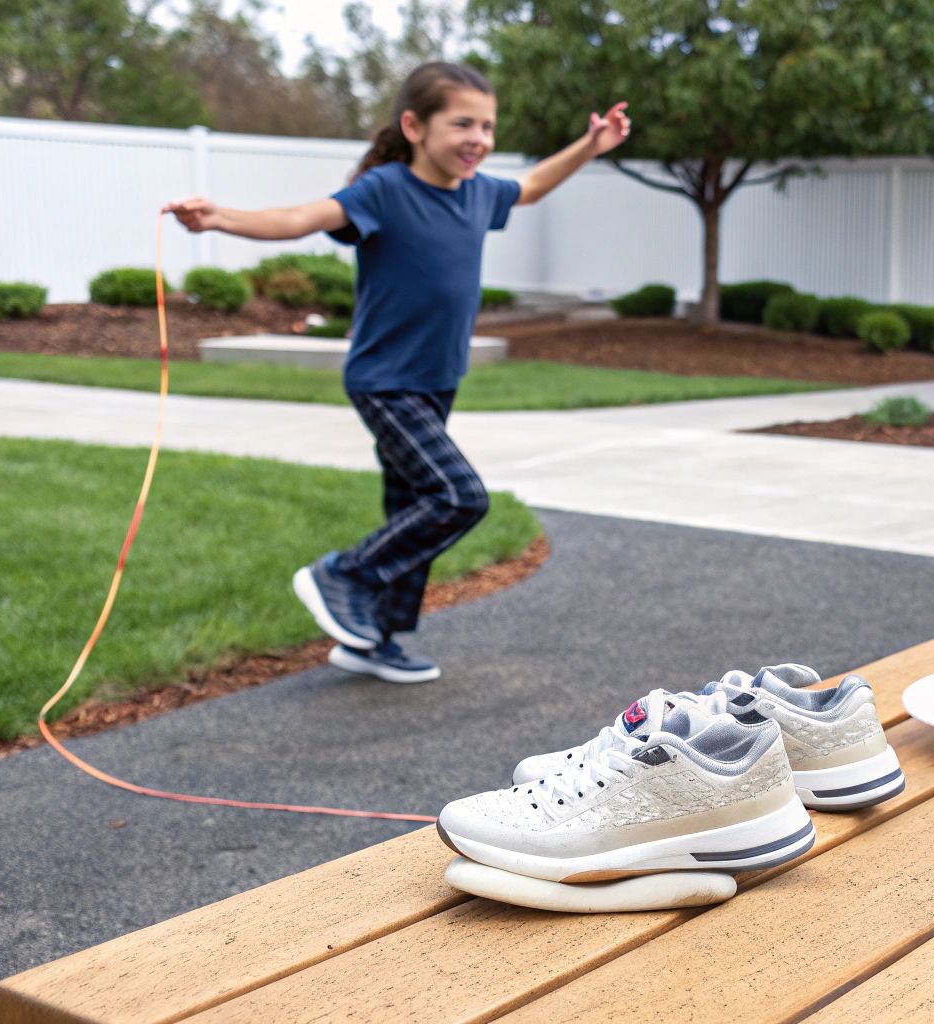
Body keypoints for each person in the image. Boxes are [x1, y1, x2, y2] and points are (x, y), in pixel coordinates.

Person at [166, 62, 630, 683]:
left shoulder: (479, 193)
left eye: (487, 126)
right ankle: (342, 576)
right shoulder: (384, 190)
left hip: (438, 379)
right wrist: (222, 218)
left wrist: (591, 146)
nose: (478, 139)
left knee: (411, 508)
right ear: (414, 125)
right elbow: (301, 217)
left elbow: (534, 185)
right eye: (462, 123)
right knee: (457, 496)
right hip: (385, 379)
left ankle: (372, 640)